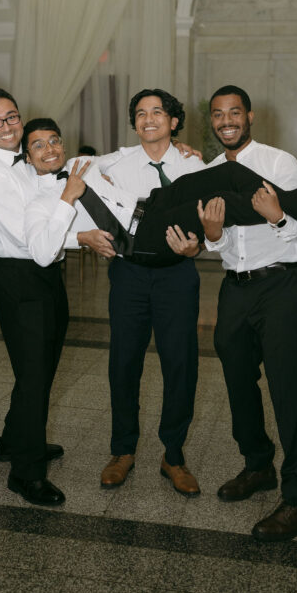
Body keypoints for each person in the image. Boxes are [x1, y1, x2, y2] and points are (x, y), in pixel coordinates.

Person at [0, 94, 117, 507]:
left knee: (39, 366)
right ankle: (26, 471)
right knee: (35, 373)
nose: (6, 126)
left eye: (11, 118)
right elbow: (30, 242)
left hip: (43, 275)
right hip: (18, 278)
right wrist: (76, 221)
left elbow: (92, 163)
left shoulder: (23, 163)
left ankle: (13, 440)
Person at [194, 85, 297, 542]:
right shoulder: (208, 172)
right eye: (218, 114)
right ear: (212, 121)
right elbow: (222, 245)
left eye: (234, 112)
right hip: (235, 289)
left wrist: (277, 216)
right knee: (236, 376)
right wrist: (211, 233)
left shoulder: (279, 163)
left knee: (288, 387)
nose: (227, 120)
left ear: (249, 116)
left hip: (280, 285)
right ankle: (258, 463)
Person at [99, 89, 206, 496]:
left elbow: (217, 222)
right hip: (128, 274)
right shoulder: (117, 164)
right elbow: (75, 168)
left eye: (157, 112)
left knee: (181, 364)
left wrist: (198, 246)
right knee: (123, 363)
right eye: (140, 113)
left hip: (178, 274)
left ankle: (173, 455)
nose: (148, 119)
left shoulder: (195, 165)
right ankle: (122, 450)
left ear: (174, 121)